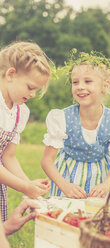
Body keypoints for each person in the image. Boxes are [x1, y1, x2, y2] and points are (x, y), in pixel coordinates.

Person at [41, 50, 110, 199]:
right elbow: (46, 161)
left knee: (96, 219)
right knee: (65, 219)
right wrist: (64, 186)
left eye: (88, 81)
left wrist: (107, 184)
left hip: (99, 180)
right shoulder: (63, 118)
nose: (80, 86)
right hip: (67, 177)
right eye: (75, 82)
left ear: (105, 85)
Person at [0, 41, 51, 222]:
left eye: (36, 90)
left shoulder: (21, 111)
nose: (33, 94)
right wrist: (23, 187)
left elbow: (8, 157)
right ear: (11, 74)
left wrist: (29, 185)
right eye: (30, 87)